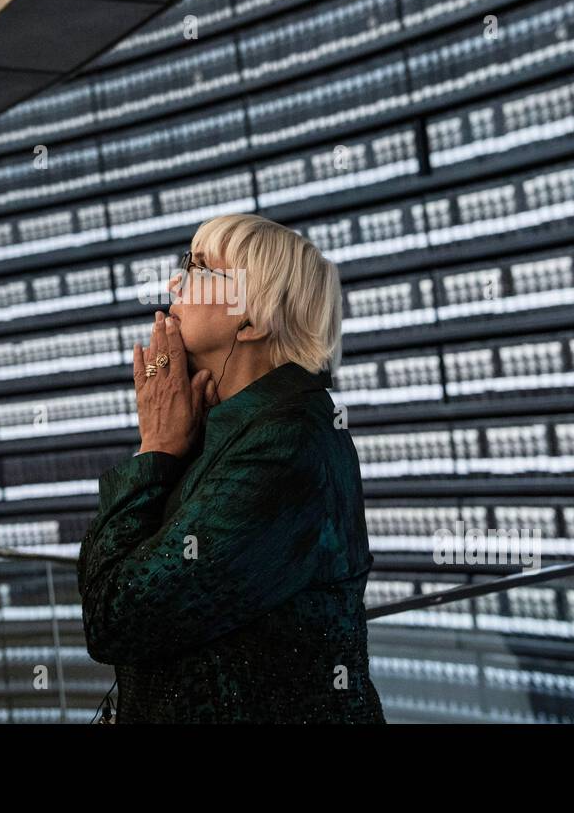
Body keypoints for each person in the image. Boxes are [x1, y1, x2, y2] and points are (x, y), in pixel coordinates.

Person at [77, 213, 386, 723]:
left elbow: (116, 618)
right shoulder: (234, 430)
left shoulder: (284, 446)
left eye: (199, 268)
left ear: (253, 319)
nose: (174, 283)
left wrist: (155, 448)